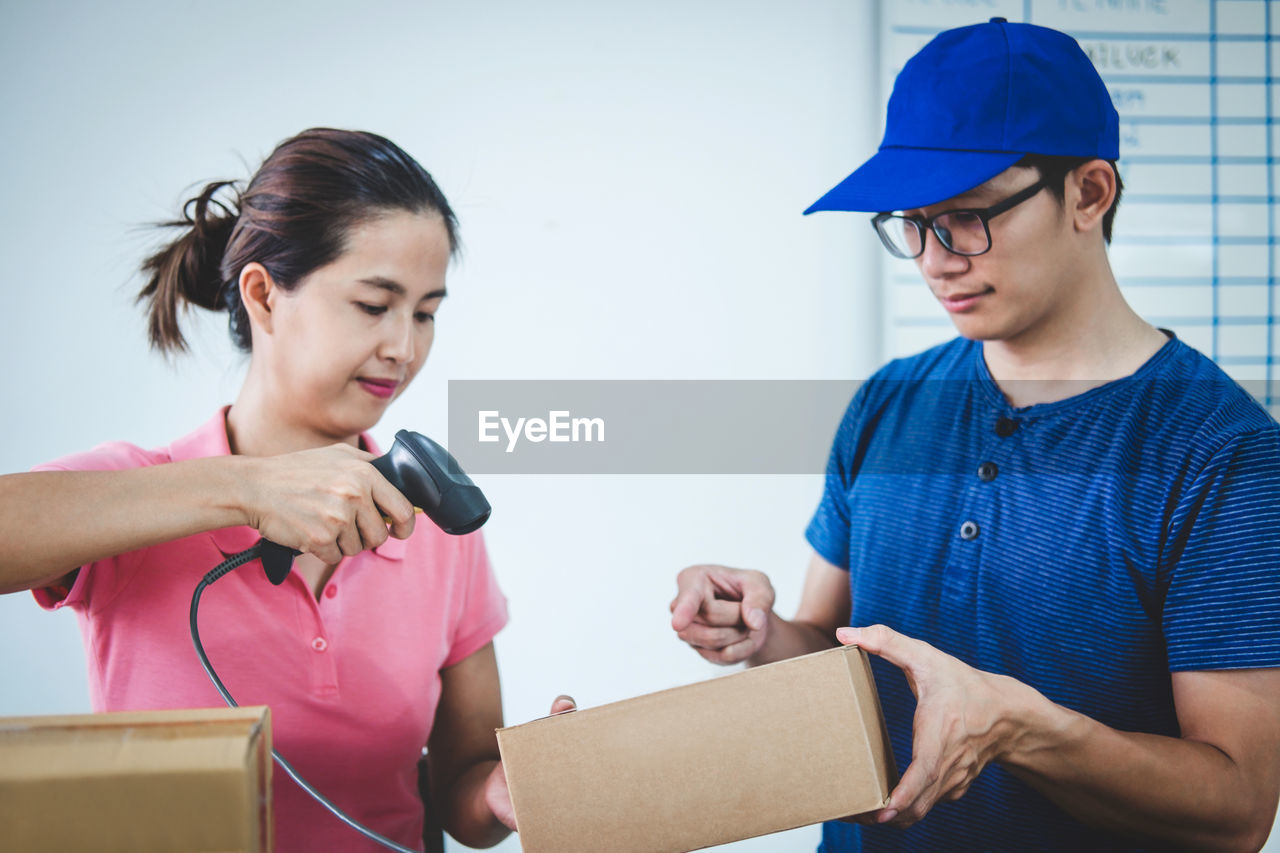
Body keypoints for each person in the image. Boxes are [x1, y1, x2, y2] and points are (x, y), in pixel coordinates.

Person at [670, 18, 1280, 853]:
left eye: (966, 216)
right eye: (912, 223)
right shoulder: (887, 401)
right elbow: (834, 651)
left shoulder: (1222, 453)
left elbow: (1237, 807)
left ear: (1089, 193)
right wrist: (764, 633)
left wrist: (1021, 728)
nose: (935, 259)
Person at [0, 128, 566, 853]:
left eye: (425, 313)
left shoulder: (430, 525)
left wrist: (498, 791)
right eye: (373, 304)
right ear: (264, 296)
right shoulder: (140, 493)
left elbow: (462, 785)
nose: (405, 347)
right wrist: (245, 490)